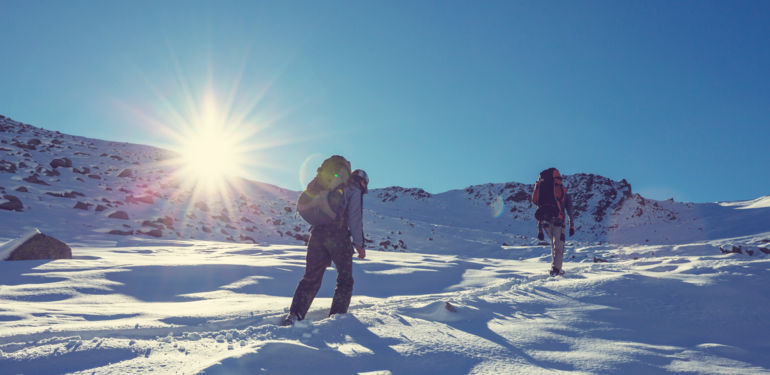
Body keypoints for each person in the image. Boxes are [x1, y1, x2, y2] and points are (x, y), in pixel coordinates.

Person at [282, 165, 369, 325]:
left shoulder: (331, 186)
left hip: (317, 235)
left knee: (310, 278)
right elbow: (355, 218)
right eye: (366, 183)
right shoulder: (354, 190)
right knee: (345, 279)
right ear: (362, 181)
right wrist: (359, 245)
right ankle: (337, 318)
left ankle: (294, 315)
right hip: (338, 236)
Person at [532, 167, 575, 276]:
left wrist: (539, 229)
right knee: (559, 246)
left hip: (545, 222)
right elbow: (570, 210)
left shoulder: (543, 190)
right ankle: (556, 270)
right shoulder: (564, 193)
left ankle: (554, 267)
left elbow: (539, 207)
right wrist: (571, 226)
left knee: (553, 245)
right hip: (558, 221)